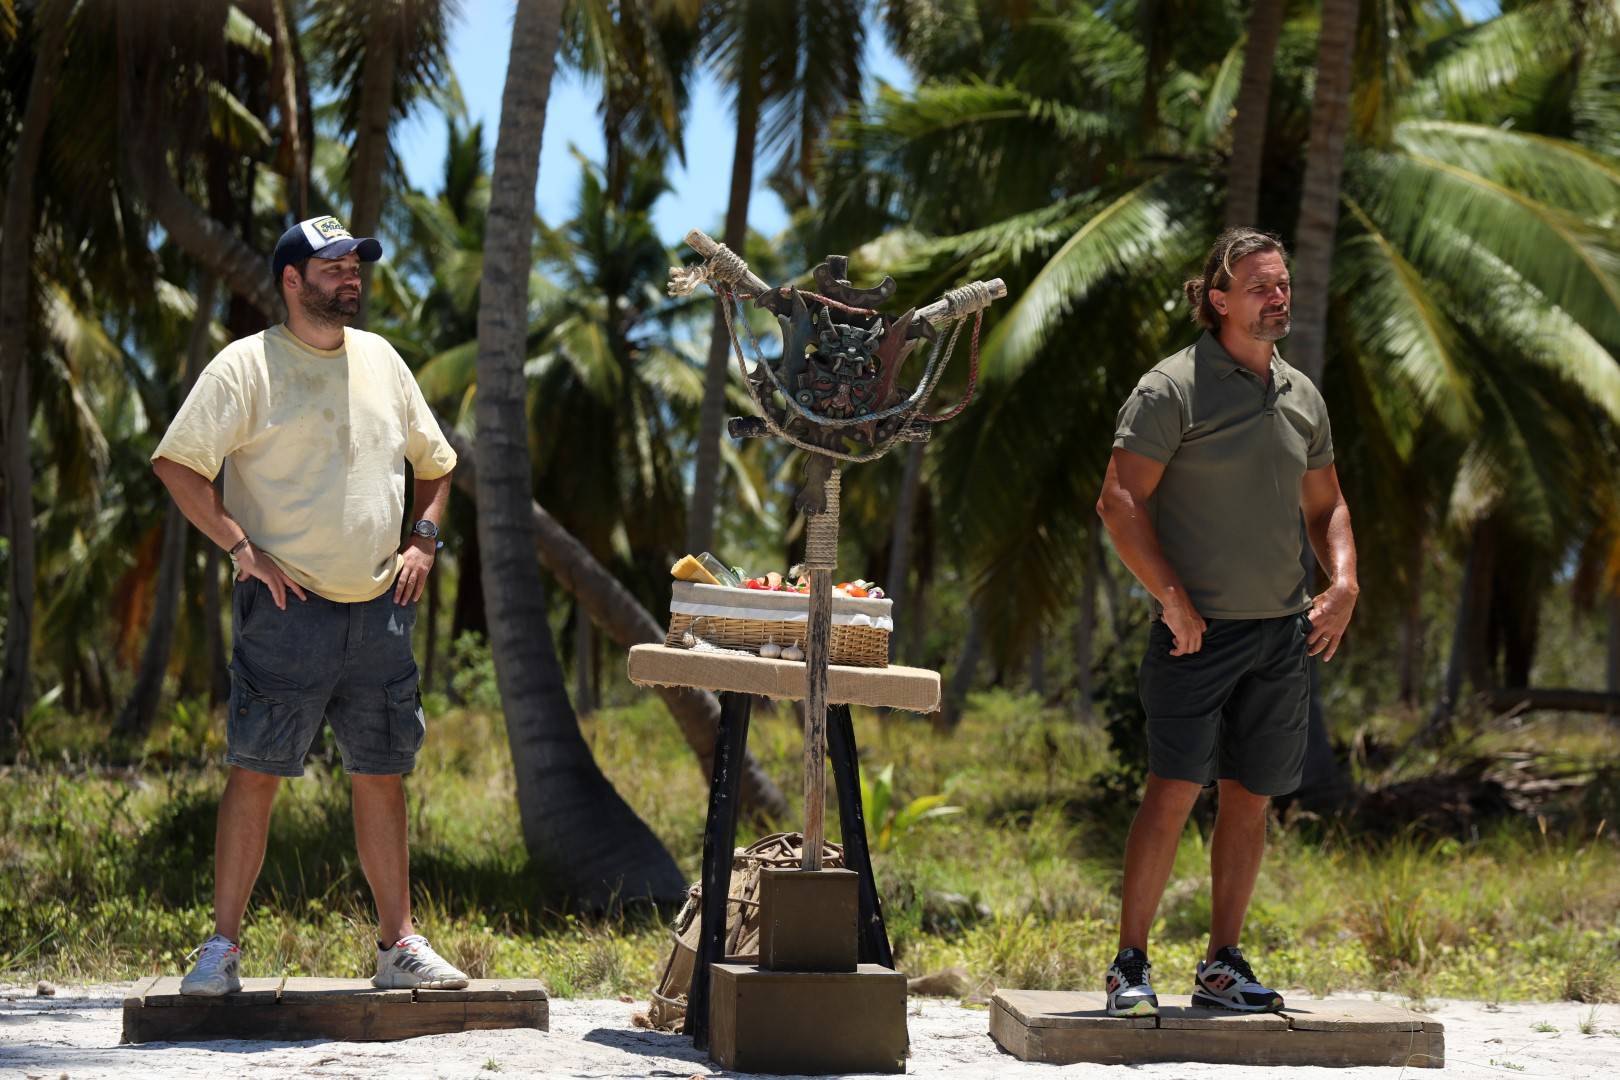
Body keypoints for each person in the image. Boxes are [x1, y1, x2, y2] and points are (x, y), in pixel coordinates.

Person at [152, 216, 467, 994]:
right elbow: (177, 464)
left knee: (382, 773)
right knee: (255, 772)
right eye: (332, 268)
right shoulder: (245, 367)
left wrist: (423, 540)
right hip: (286, 609)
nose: (351, 277)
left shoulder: (384, 361)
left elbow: (436, 464)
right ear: (292, 281)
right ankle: (221, 951)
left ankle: (399, 948)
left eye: (357, 265)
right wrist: (240, 549)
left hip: (381, 607)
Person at [1094, 228, 1359, 1015]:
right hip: (1194, 634)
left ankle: (1220, 967)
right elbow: (1119, 500)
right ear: (1218, 300)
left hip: (1283, 634)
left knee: (1251, 798)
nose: (1276, 298)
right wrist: (1172, 599)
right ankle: (1128, 965)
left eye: (1282, 285)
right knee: (1173, 790)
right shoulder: (1170, 388)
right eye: (1259, 287)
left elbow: (1328, 504)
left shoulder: (1301, 394)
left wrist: (1342, 583)